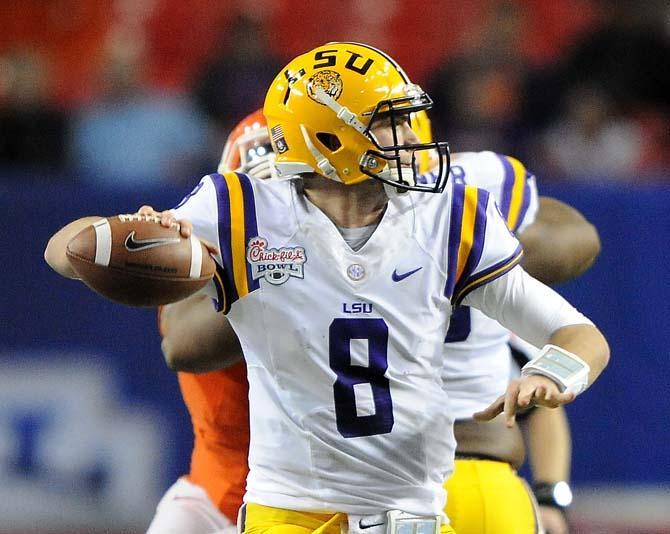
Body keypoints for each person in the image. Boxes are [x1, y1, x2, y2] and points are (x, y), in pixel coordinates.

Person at [45, 42, 609, 534]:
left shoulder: (448, 216)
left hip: (412, 507)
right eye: (390, 121)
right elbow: (68, 253)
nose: (412, 135)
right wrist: (114, 236)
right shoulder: (242, 209)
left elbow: (581, 335)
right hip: (287, 507)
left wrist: (549, 371)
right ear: (328, 141)